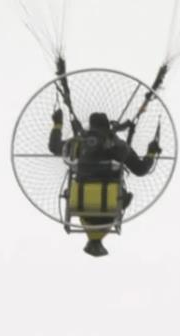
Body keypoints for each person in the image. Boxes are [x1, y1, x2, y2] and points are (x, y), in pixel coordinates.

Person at [48, 109, 161, 256]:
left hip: (85, 204)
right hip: (108, 207)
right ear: (108, 128)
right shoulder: (117, 145)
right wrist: (151, 153)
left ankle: (96, 236)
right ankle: (98, 235)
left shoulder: (79, 144)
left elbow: (53, 146)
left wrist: (58, 123)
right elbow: (141, 169)